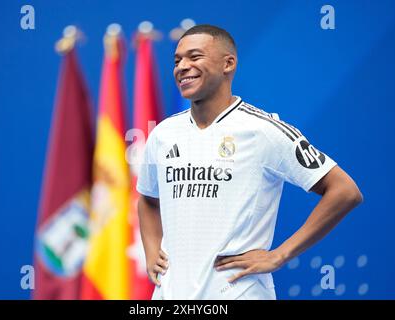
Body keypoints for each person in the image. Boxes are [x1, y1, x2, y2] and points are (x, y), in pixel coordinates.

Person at [136, 24, 363, 300]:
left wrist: (280, 254)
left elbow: (345, 191)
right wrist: (151, 250)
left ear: (228, 64)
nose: (182, 67)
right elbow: (148, 198)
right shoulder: (162, 134)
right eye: (177, 60)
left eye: (194, 57)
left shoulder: (264, 131)